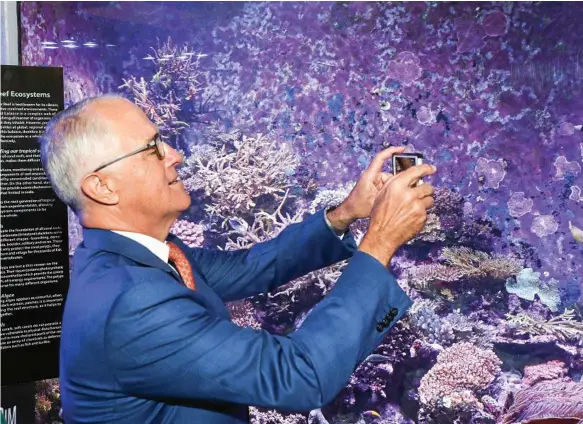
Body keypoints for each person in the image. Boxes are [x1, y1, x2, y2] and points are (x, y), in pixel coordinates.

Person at [39, 95, 436, 424]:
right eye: (153, 147)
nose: (175, 155)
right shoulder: (131, 302)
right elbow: (299, 375)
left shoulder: (143, 257)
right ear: (102, 186)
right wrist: (380, 242)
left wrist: (346, 213)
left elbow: (252, 266)